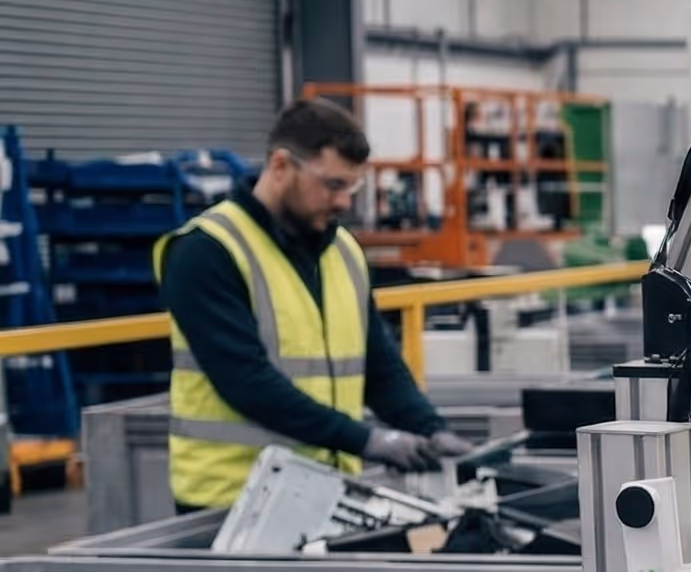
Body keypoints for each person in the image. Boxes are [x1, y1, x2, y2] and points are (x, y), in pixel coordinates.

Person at [156, 99, 467, 511]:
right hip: (232, 501)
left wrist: (429, 428)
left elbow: (379, 364)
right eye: (333, 184)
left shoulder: (343, 251)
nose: (342, 203)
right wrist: (368, 440)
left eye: (351, 188)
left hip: (328, 494)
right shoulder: (207, 250)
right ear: (282, 166)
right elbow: (247, 382)